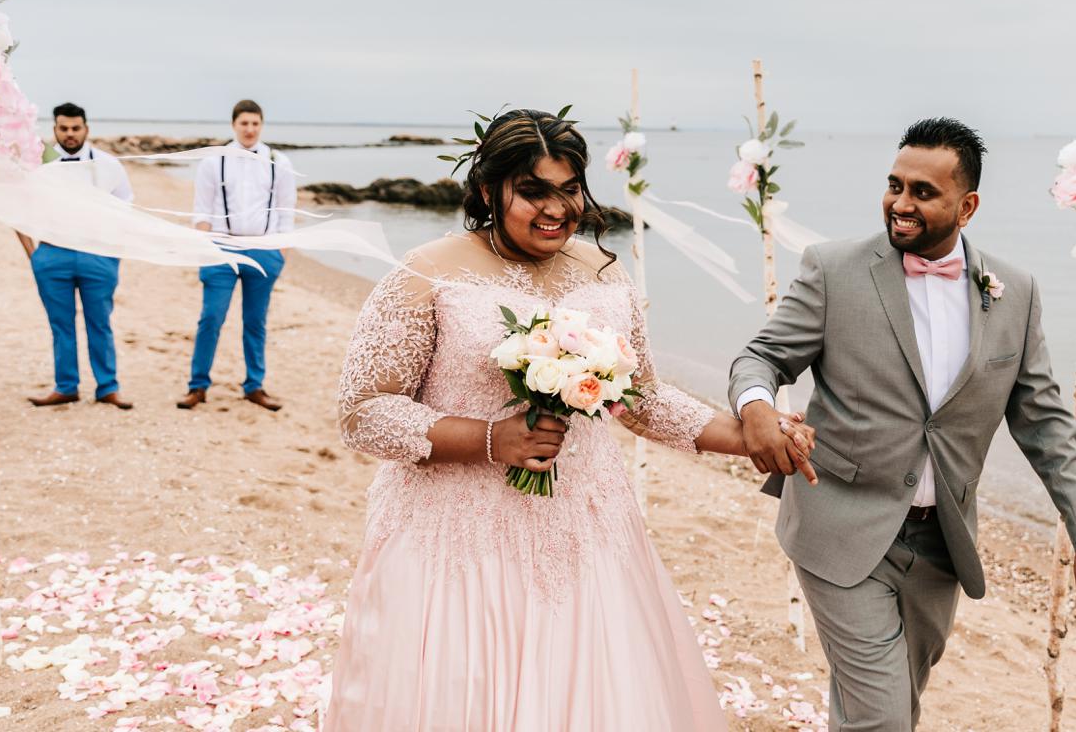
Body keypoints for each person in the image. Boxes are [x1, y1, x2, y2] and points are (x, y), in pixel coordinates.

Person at [322, 108, 817, 731]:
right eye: (533, 191)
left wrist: (750, 436)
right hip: (454, 537)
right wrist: (489, 439)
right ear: (486, 190)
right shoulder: (428, 272)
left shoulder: (602, 273)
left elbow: (642, 400)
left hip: (584, 527)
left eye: (569, 189)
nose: (557, 208)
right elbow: (363, 412)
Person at [730, 117, 1076, 730]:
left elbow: (1045, 426)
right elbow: (762, 357)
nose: (900, 204)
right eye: (894, 185)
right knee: (881, 719)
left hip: (942, 547)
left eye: (923, 192)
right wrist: (755, 407)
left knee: (889, 709)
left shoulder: (1014, 292)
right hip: (839, 526)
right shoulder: (834, 270)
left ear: (968, 206)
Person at [179, 99, 295, 411]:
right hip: (221, 248)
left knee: (255, 321)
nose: (250, 129)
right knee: (211, 317)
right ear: (234, 125)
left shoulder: (277, 160)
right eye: (244, 123)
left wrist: (280, 253)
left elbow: (286, 211)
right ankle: (197, 386)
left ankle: (254, 386)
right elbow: (202, 209)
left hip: (263, 251)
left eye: (255, 123)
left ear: (261, 125)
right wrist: (206, 246)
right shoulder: (213, 162)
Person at [19, 103, 134, 410]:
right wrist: (35, 256)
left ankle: (108, 387)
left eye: (75, 128)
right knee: (61, 324)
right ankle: (66, 386)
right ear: (55, 130)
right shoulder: (39, 167)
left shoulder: (109, 165)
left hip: (98, 255)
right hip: (52, 255)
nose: (70, 134)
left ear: (86, 129)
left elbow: (126, 212)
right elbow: (18, 211)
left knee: (100, 322)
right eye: (63, 129)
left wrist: (113, 256)